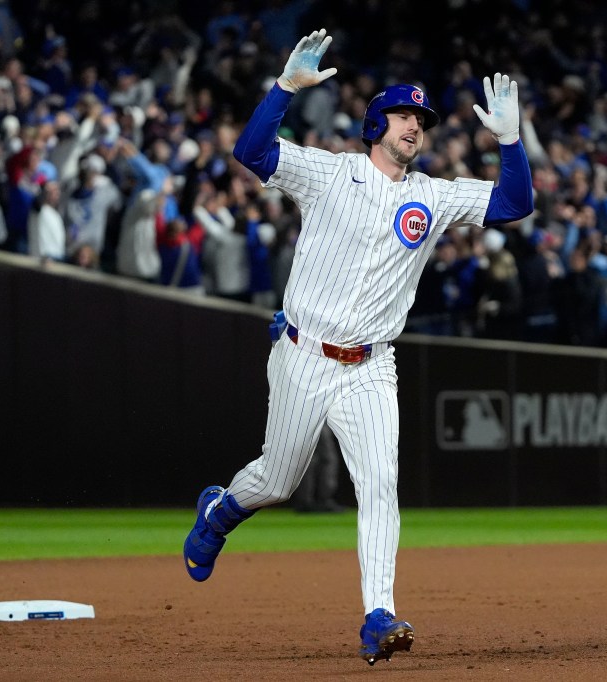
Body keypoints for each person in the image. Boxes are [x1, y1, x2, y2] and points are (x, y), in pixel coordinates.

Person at [182, 29, 532, 665]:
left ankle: (379, 615)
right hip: (302, 352)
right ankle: (223, 510)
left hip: (371, 366)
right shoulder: (329, 171)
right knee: (277, 478)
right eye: (403, 115)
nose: (414, 127)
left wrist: (510, 141)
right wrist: (286, 87)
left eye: (420, 120)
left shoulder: (432, 194)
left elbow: (514, 202)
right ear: (377, 123)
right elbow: (250, 151)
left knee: (379, 483)